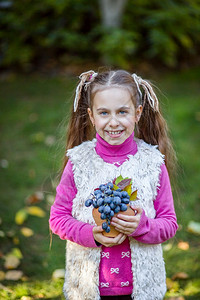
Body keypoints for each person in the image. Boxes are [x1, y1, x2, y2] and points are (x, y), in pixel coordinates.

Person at [49, 69, 178, 300]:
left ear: (137, 113)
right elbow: (58, 218)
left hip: (141, 290)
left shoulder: (152, 163)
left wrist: (142, 226)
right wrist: (91, 234)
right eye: (104, 113)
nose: (113, 121)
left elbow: (169, 224)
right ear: (91, 116)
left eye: (122, 112)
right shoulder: (79, 162)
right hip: (89, 287)